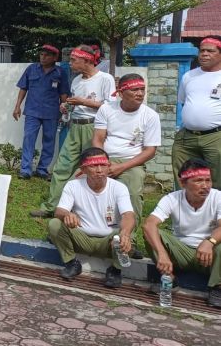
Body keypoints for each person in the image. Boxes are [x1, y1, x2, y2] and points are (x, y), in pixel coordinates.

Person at [31, 45, 116, 218]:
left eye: (73, 60)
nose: (70, 63)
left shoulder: (105, 79)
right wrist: (66, 106)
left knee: (89, 169)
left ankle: (81, 209)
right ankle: (51, 207)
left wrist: (83, 102)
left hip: (94, 128)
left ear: (87, 61)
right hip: (74, 126)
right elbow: (75, 104)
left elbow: (111, 107)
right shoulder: (77, 81)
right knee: (62, 166)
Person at [92, 73, 161, 258]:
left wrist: (121, 167)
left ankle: (131, 240)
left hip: (132, 163)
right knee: (78, 182)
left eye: (142, 90)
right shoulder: (106, 109)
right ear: (121, 93)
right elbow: (98, 140)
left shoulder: (150, 116)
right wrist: (103, 163)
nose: (140, 93)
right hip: (104, 158)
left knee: (132, 192)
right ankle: (78, 232)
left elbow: (150, 151)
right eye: (135, 89)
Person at [48, 148, 135, 288]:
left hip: (109, 242)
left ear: (109, 166)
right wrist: (67, 215)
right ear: (83, 169)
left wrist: (124, 233)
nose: (99, 170)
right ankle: (71, 263)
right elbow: (59, 211)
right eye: (93, 166)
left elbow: (128, 215)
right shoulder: (73, 185)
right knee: (55, 224)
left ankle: (115, 270)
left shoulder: (119, 188)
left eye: (103, 165)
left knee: (130, 235)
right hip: (82, 237)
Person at [143, 159, 221, 308]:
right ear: (183, 183)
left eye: (208, 180)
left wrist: (209, 241)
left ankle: (217, 287)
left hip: (211, 255)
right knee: (152, 232)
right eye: (198, 181)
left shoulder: (218, 197)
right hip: (182, 253)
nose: (205, 186)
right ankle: (169, 280)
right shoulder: (172, 198)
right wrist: (162, 253)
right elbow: (149, 223)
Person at [13, 44, 69, 180]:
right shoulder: (31, 69)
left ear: (55, 57)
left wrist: (65, 112)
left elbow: (63, 94)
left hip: (51, 112)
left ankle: (42, 169)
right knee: (28, 139)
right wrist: (17, 106)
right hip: (32, 111)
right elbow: (23, 88)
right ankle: (26, 169)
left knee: (49, 141)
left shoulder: (60, 72)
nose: (43, 58)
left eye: (47, 55)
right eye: (41, 55)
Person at [172, 35, 221, 190]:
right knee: (183, 178)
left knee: (216, 182)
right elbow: (183, 101)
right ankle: (183, 212)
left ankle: (214, 213)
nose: (204, 54)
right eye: (202, 50)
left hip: (215, 138)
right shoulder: (189, 76)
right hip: (187, 137)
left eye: (210, 51)